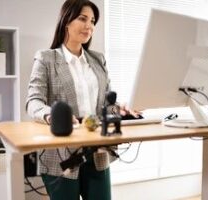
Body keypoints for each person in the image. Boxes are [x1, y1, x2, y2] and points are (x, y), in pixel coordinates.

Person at [26, 0, 138, 199]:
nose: (89, 26)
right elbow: (33, 101)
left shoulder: (98, 59)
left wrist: (119, 110)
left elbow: (107, 105)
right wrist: (53, 115)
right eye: (83, 18)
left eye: (93, 21)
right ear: (66, 21)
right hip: (61, 153)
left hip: (98, 151)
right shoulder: (46, 58)